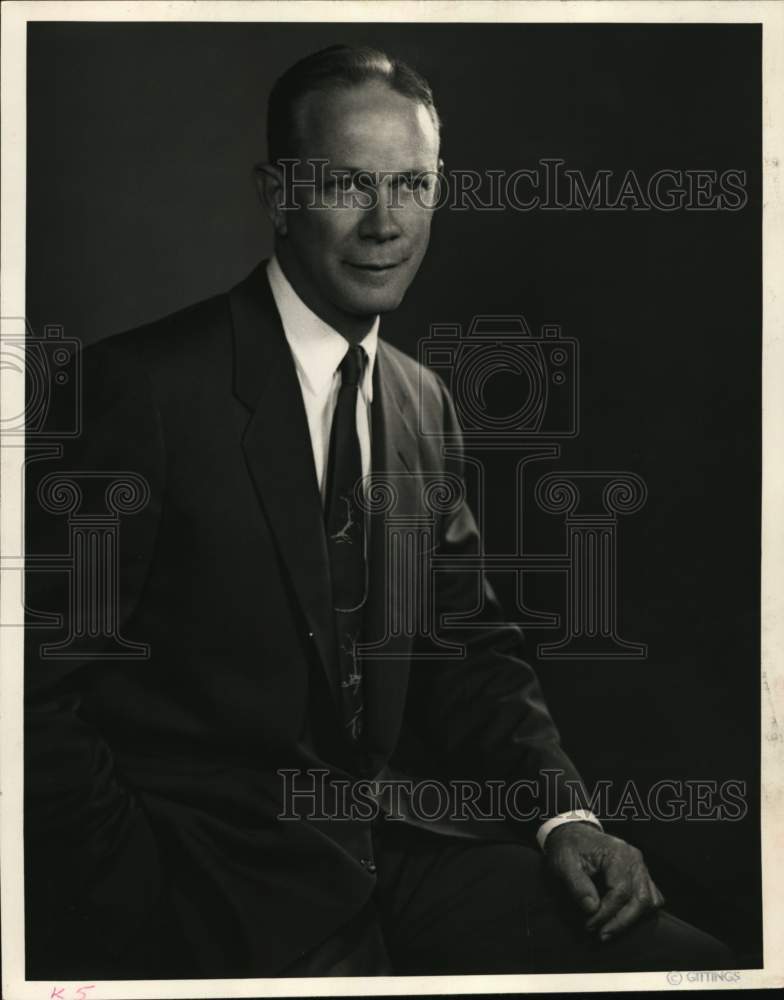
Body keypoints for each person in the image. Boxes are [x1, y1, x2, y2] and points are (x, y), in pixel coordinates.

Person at [24, 44, 732, 979]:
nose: (386, 222)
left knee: (697, 966)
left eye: (411, 184)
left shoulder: (422, 402)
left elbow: (468, 646)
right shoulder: (141, 389)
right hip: (204, 892)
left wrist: (564, 815)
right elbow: (28, 694)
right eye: (346, 185)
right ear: (278, 193)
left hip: (396, 855)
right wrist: (133, 896)